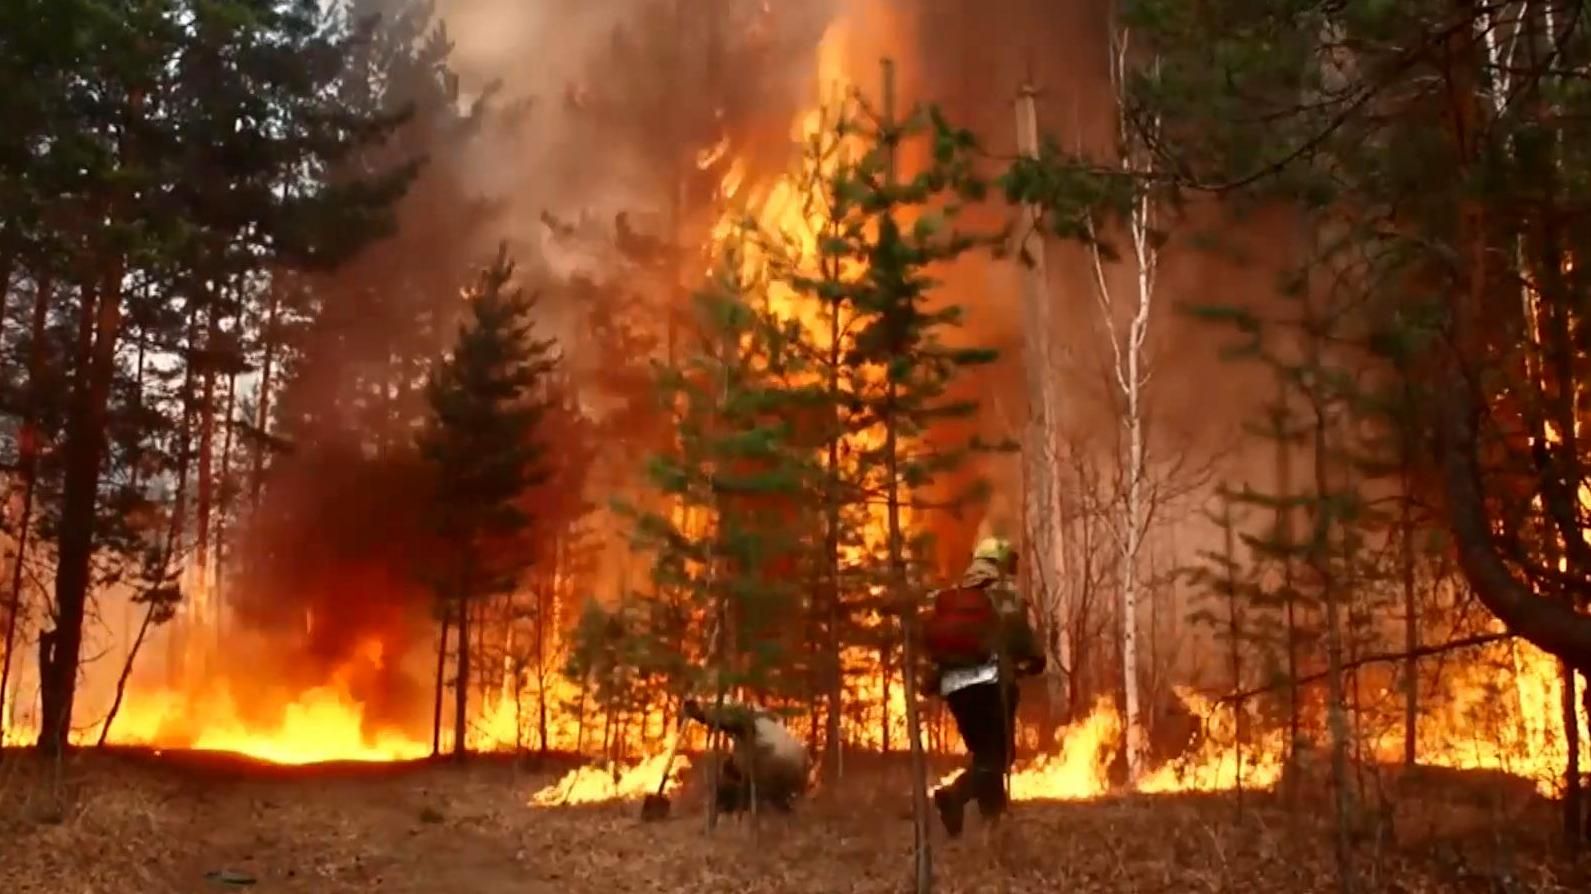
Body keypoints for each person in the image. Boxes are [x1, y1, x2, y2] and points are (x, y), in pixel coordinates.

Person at [921, 536, 1045, 837]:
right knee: (998, 757)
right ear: (998, 564)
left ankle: (995, 822)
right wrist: (1034, 661)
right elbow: (1022, 641)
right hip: (990, 685)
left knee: (985, 755)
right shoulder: (1003, 596)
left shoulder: (953, 596)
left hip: (955, 689)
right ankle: (955, 796)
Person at [683, 697, 809, 814]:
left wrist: (699, 715)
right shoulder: (769, 718)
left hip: (773, 761)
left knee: (733, 773)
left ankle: (731, 809)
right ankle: (782, 809)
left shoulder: (745, 719)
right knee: (771, 790)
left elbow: (724, 721)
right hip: (797, 764)